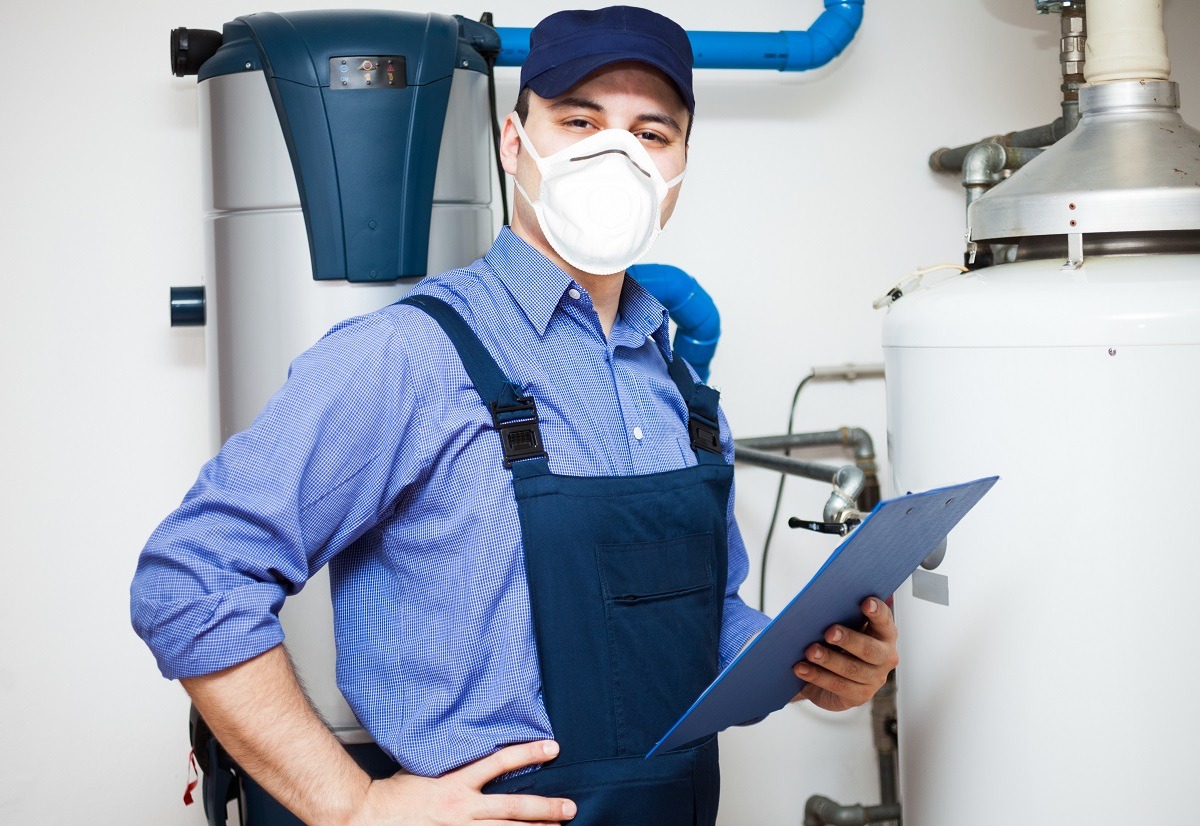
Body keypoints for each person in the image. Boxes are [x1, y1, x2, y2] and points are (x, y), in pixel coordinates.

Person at [131, 7, 898, 825]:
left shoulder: (674, 382)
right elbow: (191, 576)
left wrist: (818, 664)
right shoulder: (410, 355)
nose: (617, 154)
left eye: (652, 132)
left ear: (679, 166)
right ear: (511, 142)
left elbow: (694, 629)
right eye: (578, 121)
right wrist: (350, 805)